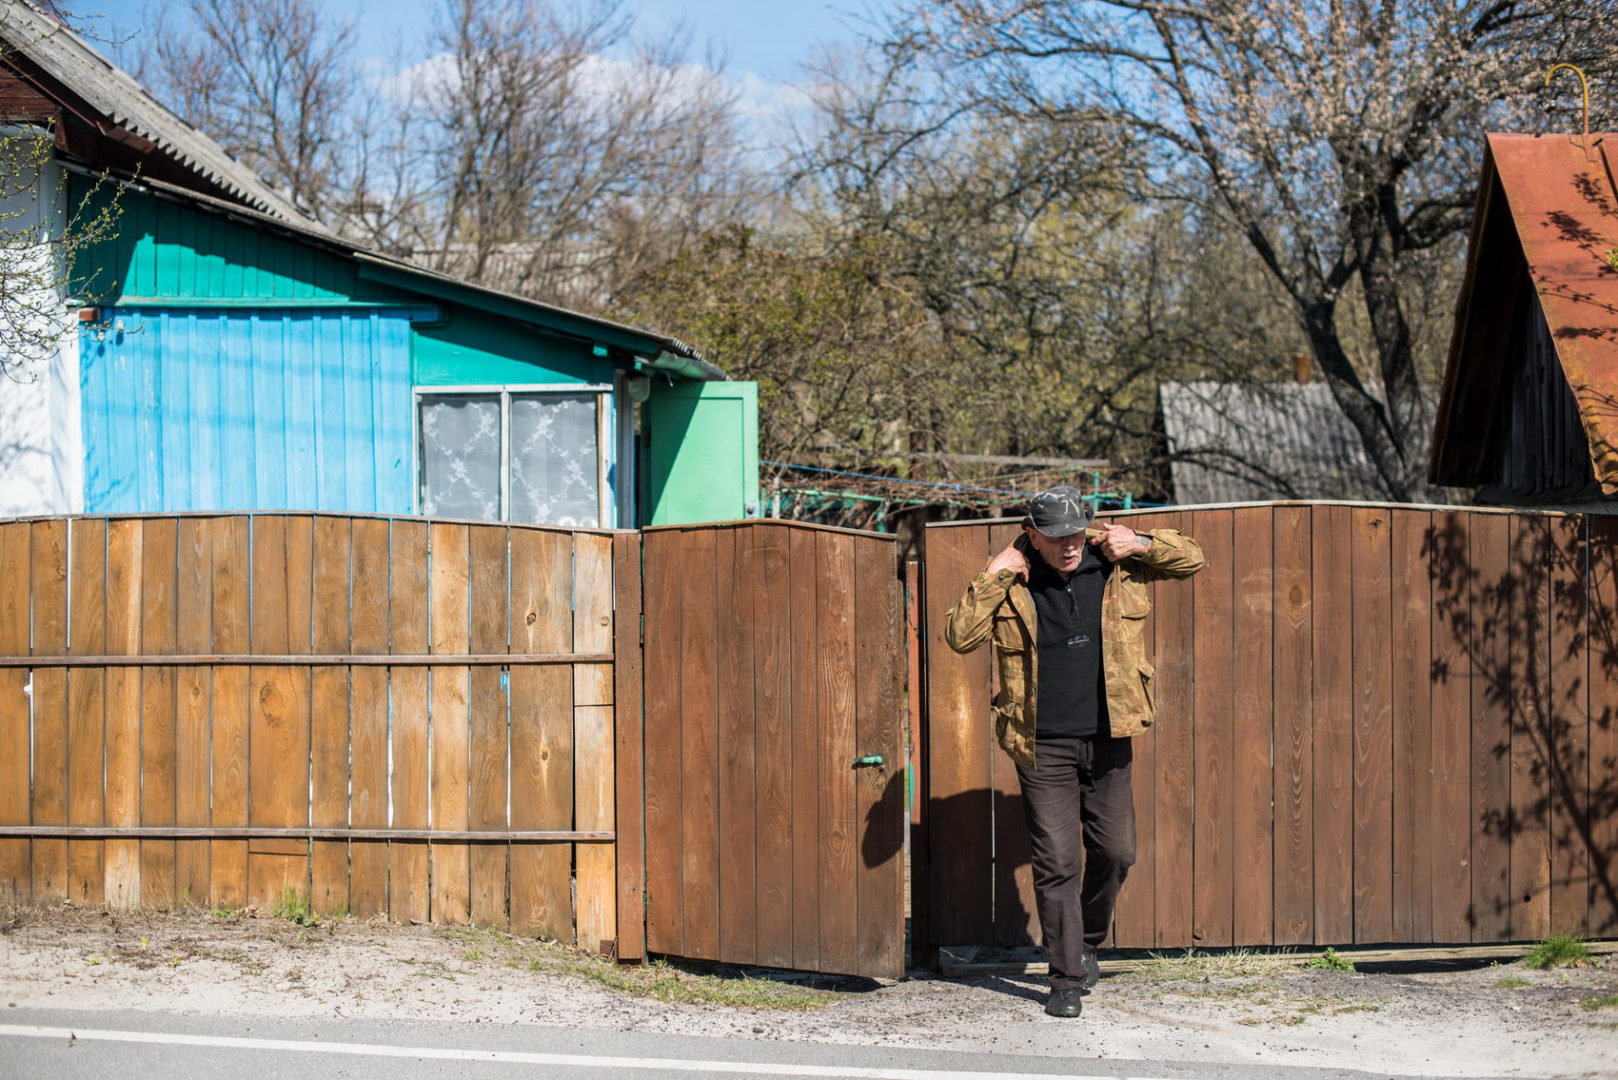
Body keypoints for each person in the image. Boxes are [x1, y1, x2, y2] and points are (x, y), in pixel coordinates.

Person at [945, 485, 1204, 1018]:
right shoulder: (1013, 578)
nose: (1068, 546)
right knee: (1057, 861)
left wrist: (1142, 543)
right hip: (1041, 743)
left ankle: (1085, 940)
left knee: (1116, 851)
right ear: (1032, 533)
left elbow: (1192, 558)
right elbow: (959, 636)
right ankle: (1064, 979)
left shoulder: (1114, 558)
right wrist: (995, 573)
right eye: (1055, 537)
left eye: (1074, 534)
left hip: (1110, 734)